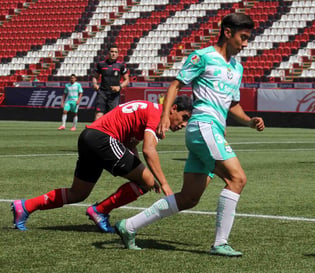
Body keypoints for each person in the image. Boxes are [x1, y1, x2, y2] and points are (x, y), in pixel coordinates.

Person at [114, 13, 265, 257]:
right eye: (243, 37)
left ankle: (129, 226)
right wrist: (164, 116)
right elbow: (176, 84)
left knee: (189, 198)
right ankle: (220, 243)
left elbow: (232, 104)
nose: (245, 44)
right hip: (204, 127)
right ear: (228, 33)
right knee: (237, 179)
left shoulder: (237, 68)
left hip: (211, 131)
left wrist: (249, 122)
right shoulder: (203, 56)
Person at [11, 96, 193, 232]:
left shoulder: (150, 109)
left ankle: (25, 206)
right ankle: (100, 211)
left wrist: (137, 167)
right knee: (147, 180)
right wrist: (164, 183)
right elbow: (149, 150)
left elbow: (130, 144)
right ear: (173, 108)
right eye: (184, 117)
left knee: (78, 193)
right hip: (103, 139)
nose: (184, 124)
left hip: (89, 137)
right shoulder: (157, 113)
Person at [92, 45, 129, 121]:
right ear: (108, 53)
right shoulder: (101, 64)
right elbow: (95, 77)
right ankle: (96, 132)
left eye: (116, 52)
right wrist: (95, 84)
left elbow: (127, 80)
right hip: (102, 93)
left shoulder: (121, 65)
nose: (113, 54)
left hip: (114, 95)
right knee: (99, 114)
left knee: (112, 116)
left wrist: (119, 87)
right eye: (112, 51)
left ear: (118, 54)